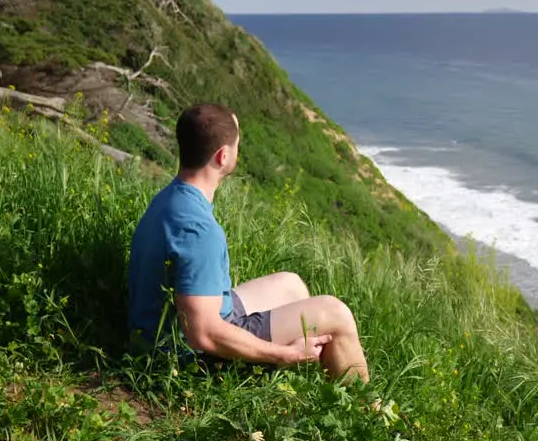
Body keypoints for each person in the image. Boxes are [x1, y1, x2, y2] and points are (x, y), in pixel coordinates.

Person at [127, 103, 370, 382]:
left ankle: (298, 385)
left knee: (289, 285)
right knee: (335, 314)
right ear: (222, 156)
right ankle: (365, 415)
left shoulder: (171, 199)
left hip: (165, 333)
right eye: (237, 144)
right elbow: (203, 333)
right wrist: (283, 354)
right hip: (182, 361)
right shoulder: (199, 230)